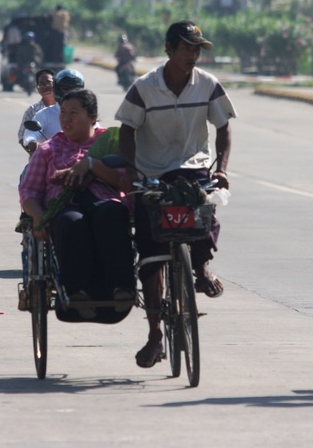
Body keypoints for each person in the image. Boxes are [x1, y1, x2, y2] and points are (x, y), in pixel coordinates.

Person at [115, 20, 237, 368]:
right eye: (186, 47)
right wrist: (131, 170)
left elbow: (224, 128)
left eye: (197, 49)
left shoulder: (208, 85)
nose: (192, 55)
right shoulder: (144, 88)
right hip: (152, 173)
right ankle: (155, 333)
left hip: (192, 168)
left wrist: (222, 169)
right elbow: (127, 130)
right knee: (151, 259)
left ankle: (201, 268)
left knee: (204, 212)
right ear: (169, 49)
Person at [19, 89, 134, 320]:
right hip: (66, 205)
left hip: (104, 200)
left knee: (111, 214)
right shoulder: (48, 150)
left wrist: (91, 165)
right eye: (63, 113)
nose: (66, 118)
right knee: (71, 222)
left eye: (74, 113)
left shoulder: (110, 141)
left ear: (92, 117)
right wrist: (39, 216)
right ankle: (77, 294)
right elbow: (29, 191)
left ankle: (121, 289)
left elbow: (125, 182)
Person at [22, 68, 85, 147]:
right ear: (57, 89)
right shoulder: (44, 114)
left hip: (81, 157)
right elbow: (30, 135)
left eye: (75, 89)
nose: (71, 93)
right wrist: (32, 142)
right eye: (66, 89)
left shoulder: (86, 114)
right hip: (51, 158)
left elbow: (96, 132)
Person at [18, 69, 56, 154]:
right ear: (37, 88)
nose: (46, 86)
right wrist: (32, 153)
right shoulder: (32, 110)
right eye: (42, 84)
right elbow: (21, 136)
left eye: (49, 82)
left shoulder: (65, 107)